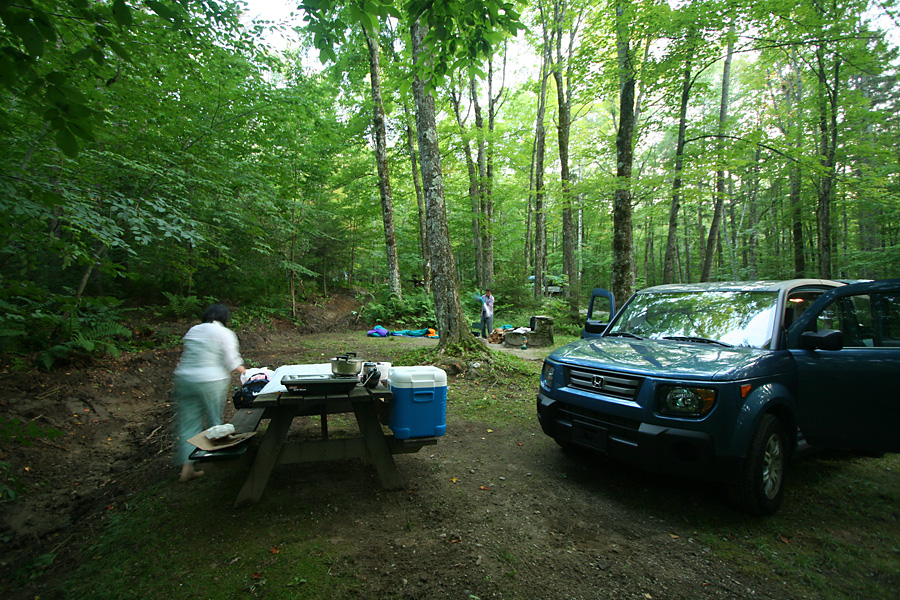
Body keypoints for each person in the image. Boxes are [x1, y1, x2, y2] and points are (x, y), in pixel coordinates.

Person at [172, 303, 246, 482]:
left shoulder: (193, 330)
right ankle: (216, 460)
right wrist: (248, 373)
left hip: (185, 379)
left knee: (189, 424)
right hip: (211, 380)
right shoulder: (224, 333)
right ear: (224, 317)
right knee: (214, 421)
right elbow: (232, 362)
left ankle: (187, 468)